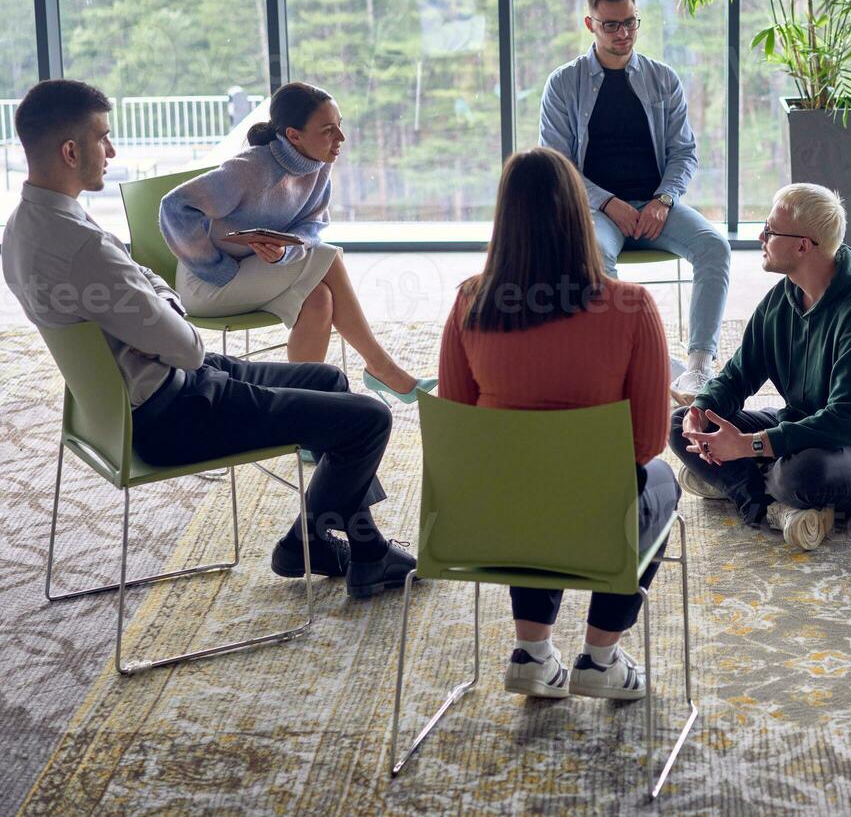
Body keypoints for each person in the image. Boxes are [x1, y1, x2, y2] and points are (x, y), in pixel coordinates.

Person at [2, 79, 415, 598]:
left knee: (330, 378)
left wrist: (153, 293)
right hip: (173, 412)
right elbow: (187, 346)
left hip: (142, 393)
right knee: (370, 420)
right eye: (103, 138)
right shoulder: (83, 247)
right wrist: (163, 299)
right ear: (69, 150)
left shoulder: (25, 227)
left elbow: (145, 288)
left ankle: (353, 546)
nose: (112, 150)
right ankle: (310, 541)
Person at [437, 146, 679, 702]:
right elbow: (644, 444)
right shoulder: (631, 307)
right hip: (595, 520)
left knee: (522, 473)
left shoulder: (470, 303)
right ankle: (600, 657)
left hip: (491, 524)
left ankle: (531, 652)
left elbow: (458, 429)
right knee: (660, 480)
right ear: (578, 215)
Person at [669, 183, 851, 551]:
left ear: (803, 245)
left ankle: (734, 481)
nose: (761, 235)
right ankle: (767, 506)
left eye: (770, 229)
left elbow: (848, 423)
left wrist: (748, 446)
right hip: (803, 428)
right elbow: (738, 374)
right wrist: (702, 408)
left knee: (800, 474)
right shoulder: (784, 295)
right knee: (681, 425)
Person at [160, 82, 434, 402]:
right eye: (329, 130)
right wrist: (214, 265)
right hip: (208, 285)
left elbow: (314, 225)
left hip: (255, 273)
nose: (341, 139)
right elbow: (175, 206)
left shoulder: (319, 166)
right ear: (293, 135)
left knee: (319, 299)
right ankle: (381, 367)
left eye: (340, 127)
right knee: (327, 258)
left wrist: (286, 252)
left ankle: (305, 413)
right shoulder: (249, 169)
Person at [539, 0, 731, 404]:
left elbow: (684, 152)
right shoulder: (563, 83)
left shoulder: (663, 78)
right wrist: (608, 203)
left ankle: (699, 365)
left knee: (715, 247)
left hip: (656, 204)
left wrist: (663, 201)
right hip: (597, 210)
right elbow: (558, 163)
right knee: (597, 255)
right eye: (611, 25)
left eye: (630, 22)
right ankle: (640, 359)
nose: (623, 34)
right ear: (590, 25)